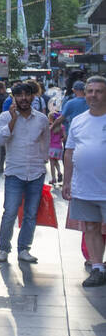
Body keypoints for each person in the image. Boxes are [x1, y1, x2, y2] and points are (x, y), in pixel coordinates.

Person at [0, 81, 51, 264]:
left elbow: (45, 142)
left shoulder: (41, 118)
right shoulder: (4, 117)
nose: (23, 98)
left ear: (33, 96)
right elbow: (0, 140)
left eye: (27, 95)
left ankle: (24, 249)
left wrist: (43, 162)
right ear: (14, 98)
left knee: (31, 213)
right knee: (9, 212)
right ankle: (3, 249)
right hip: (14, 172)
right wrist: (13, 120)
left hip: (36, 172)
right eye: (19, 95)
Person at [63, 76, 106, 287]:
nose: (93, 95)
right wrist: (66, 182)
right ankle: (97, 268)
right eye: (90, 91)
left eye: (98, 91)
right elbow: (69, 153)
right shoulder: (78, 121)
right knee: (91, 227)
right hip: (84, 188)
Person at [48, 104, 66, 185]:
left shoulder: (50, 128)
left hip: (51, 147)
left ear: (51, 119)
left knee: (52, 163)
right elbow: (65, 137)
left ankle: (53, 179)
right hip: (59, 147)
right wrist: (60, 140)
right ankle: (59, 172)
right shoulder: (62, 127)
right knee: (56, 161)